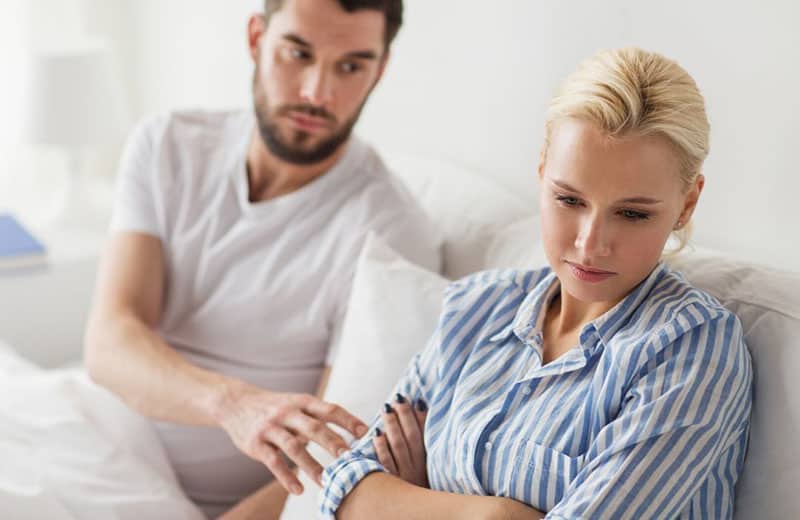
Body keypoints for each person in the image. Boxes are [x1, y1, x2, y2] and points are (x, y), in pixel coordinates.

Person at [320, 47, 753, 519]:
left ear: (686, 205)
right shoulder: (476, 308)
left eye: (631, 214)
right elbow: (344, 490)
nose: (590, 244)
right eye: (569, 199)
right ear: (543, 169)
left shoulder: (692, 347)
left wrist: (418, 497)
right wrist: (493, 514)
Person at [83, 0, 440, 517]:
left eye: (351, 66)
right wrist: (234, 404)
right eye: (298, 53)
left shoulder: (390, 234)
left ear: (379, 71)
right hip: (97, 438)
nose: (318, 92)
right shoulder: (168, 145)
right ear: (256, 39)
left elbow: (334, 456)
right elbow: (109, 342)